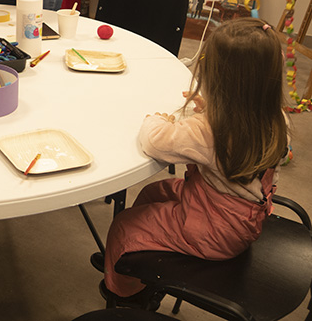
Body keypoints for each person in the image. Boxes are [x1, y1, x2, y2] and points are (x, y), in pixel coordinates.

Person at [97, 17, 289, 307]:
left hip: (214, 231)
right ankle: (135, 265)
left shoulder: (209, 130)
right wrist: (212, 108)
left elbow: (154, 141)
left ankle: (126, 296)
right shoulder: (276, 119)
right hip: (239, 216)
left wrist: (156, 119)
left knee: (123, 227)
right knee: (154, 192)